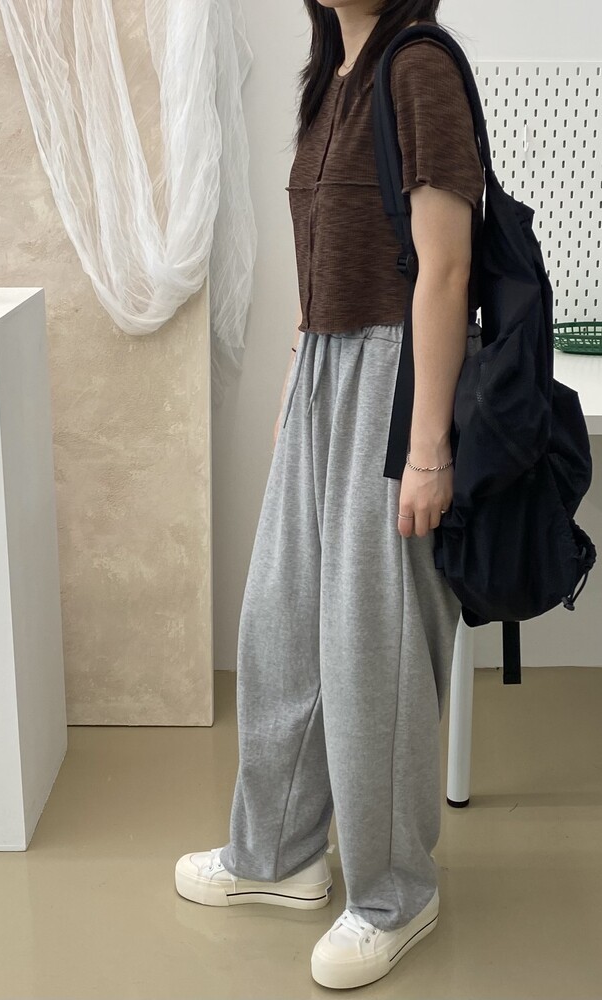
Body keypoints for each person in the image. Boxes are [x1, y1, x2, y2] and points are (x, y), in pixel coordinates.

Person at [175, 0, 484, 989]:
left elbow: (445, 269)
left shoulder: (418, 67)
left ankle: (395, 891)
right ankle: (277, 854)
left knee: (370, 648)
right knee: (279, 625)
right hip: (324, 375)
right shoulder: (331, 83)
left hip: (394, 379)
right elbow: (326, 263)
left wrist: (426, 448)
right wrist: (295, 389)